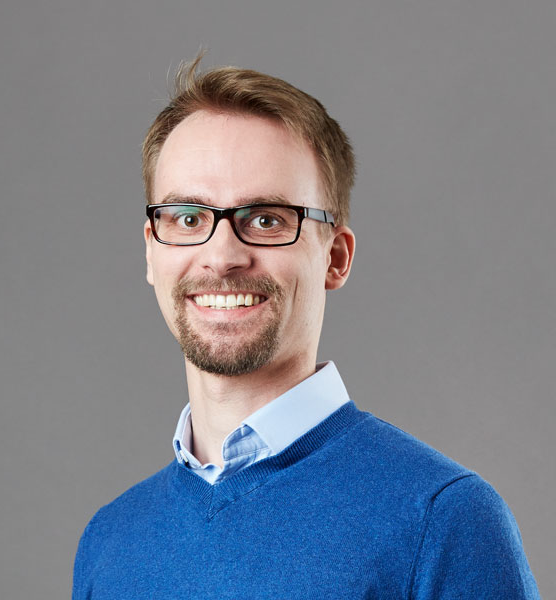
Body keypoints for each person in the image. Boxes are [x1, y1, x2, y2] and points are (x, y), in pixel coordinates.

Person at [72, 56, 540, 599]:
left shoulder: (443, 519)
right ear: (152, 252)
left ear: (335, 258)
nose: (221, 256)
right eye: (188, 218)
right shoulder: (110, 542)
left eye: (266, 220)